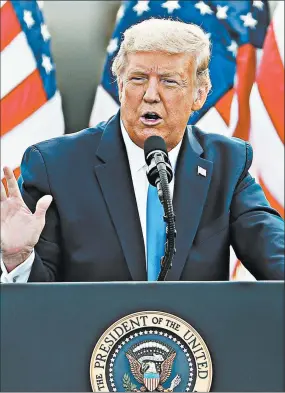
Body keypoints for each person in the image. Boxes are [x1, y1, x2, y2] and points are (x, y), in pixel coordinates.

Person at [1, 19, 284, 282]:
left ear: (200, 94)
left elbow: (273, 256)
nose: (150, 95)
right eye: (137, 79)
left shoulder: (227, 163)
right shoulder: (56, 165)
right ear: (120, 86)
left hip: (196, 335)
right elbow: (39, 298)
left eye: (169, 81)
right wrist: (18, 257)